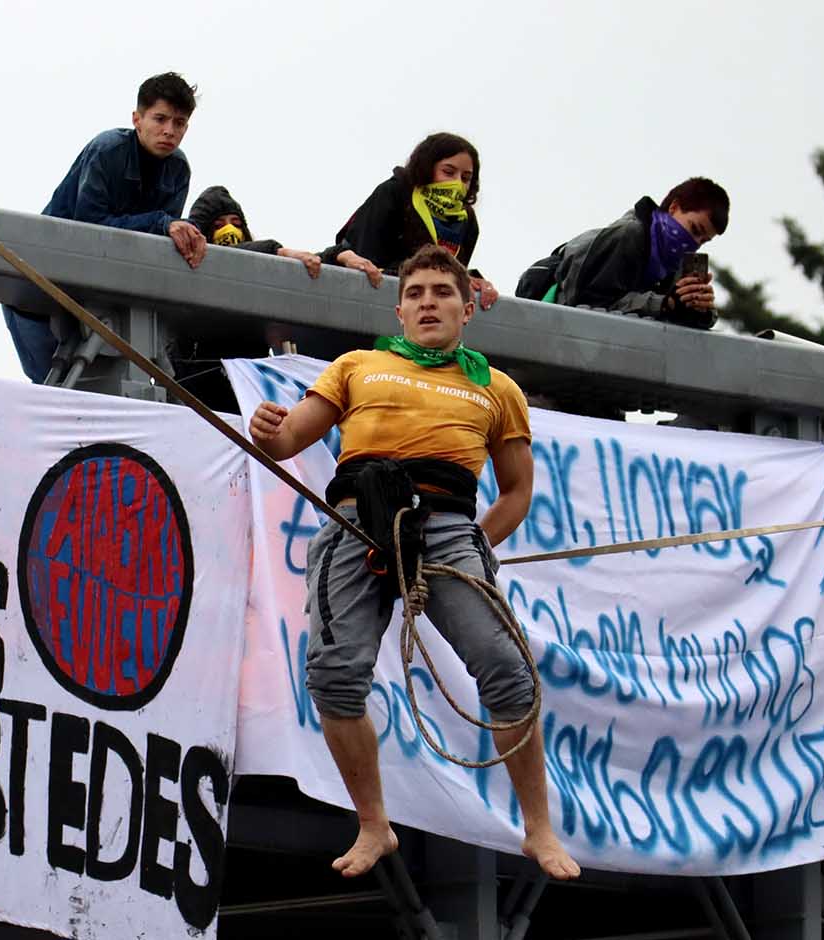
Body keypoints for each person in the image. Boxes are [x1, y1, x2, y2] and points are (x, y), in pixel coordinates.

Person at [246, 245, 580, 882]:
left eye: (442, 292)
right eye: (417, 292)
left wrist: (475, 547)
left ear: (466, 308)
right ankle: (374, 823)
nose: (429, 302)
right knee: (334, 677)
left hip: (450, 529)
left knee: (509, 670)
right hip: (356, 526)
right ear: (399, 308)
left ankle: (539, 829)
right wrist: (269, 429)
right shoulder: (357, 365)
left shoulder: (497, 388)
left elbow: (517, 492)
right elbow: (289, 439)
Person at [2, 72, 204, 383]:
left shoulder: (178, 169)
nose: (168, 131)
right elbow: (88, 228)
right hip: (38, 295)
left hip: (104, 300)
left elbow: (159, 245)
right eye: (160, 119)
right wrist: (161, 223)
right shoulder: (107, 150)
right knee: (50, 391)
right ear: (137, 119)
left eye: (178, 123)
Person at [517, 177, 728, 328]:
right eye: (694, 229)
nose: (693, 243)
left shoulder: (675, 261)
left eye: (703, 241)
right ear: (674, 207)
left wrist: (699, 309)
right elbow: (590, 302)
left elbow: (670, 313)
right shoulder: (629, 235)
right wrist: (666, 303)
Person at [335, 133, 499, 309]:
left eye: (466, 178)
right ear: (427, 168)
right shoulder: (394, 193)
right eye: (448, 172)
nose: (458, 183)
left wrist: (468, 279)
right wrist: (444, 278)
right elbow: (365, 263)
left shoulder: (467, 221)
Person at [187, 185, 383, 286]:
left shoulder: (262, 266)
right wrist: (275, 250)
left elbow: (309, 263)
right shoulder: (188, 266)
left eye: (236, 224)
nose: (229, 230)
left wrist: (339, 255)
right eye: (218, 225)